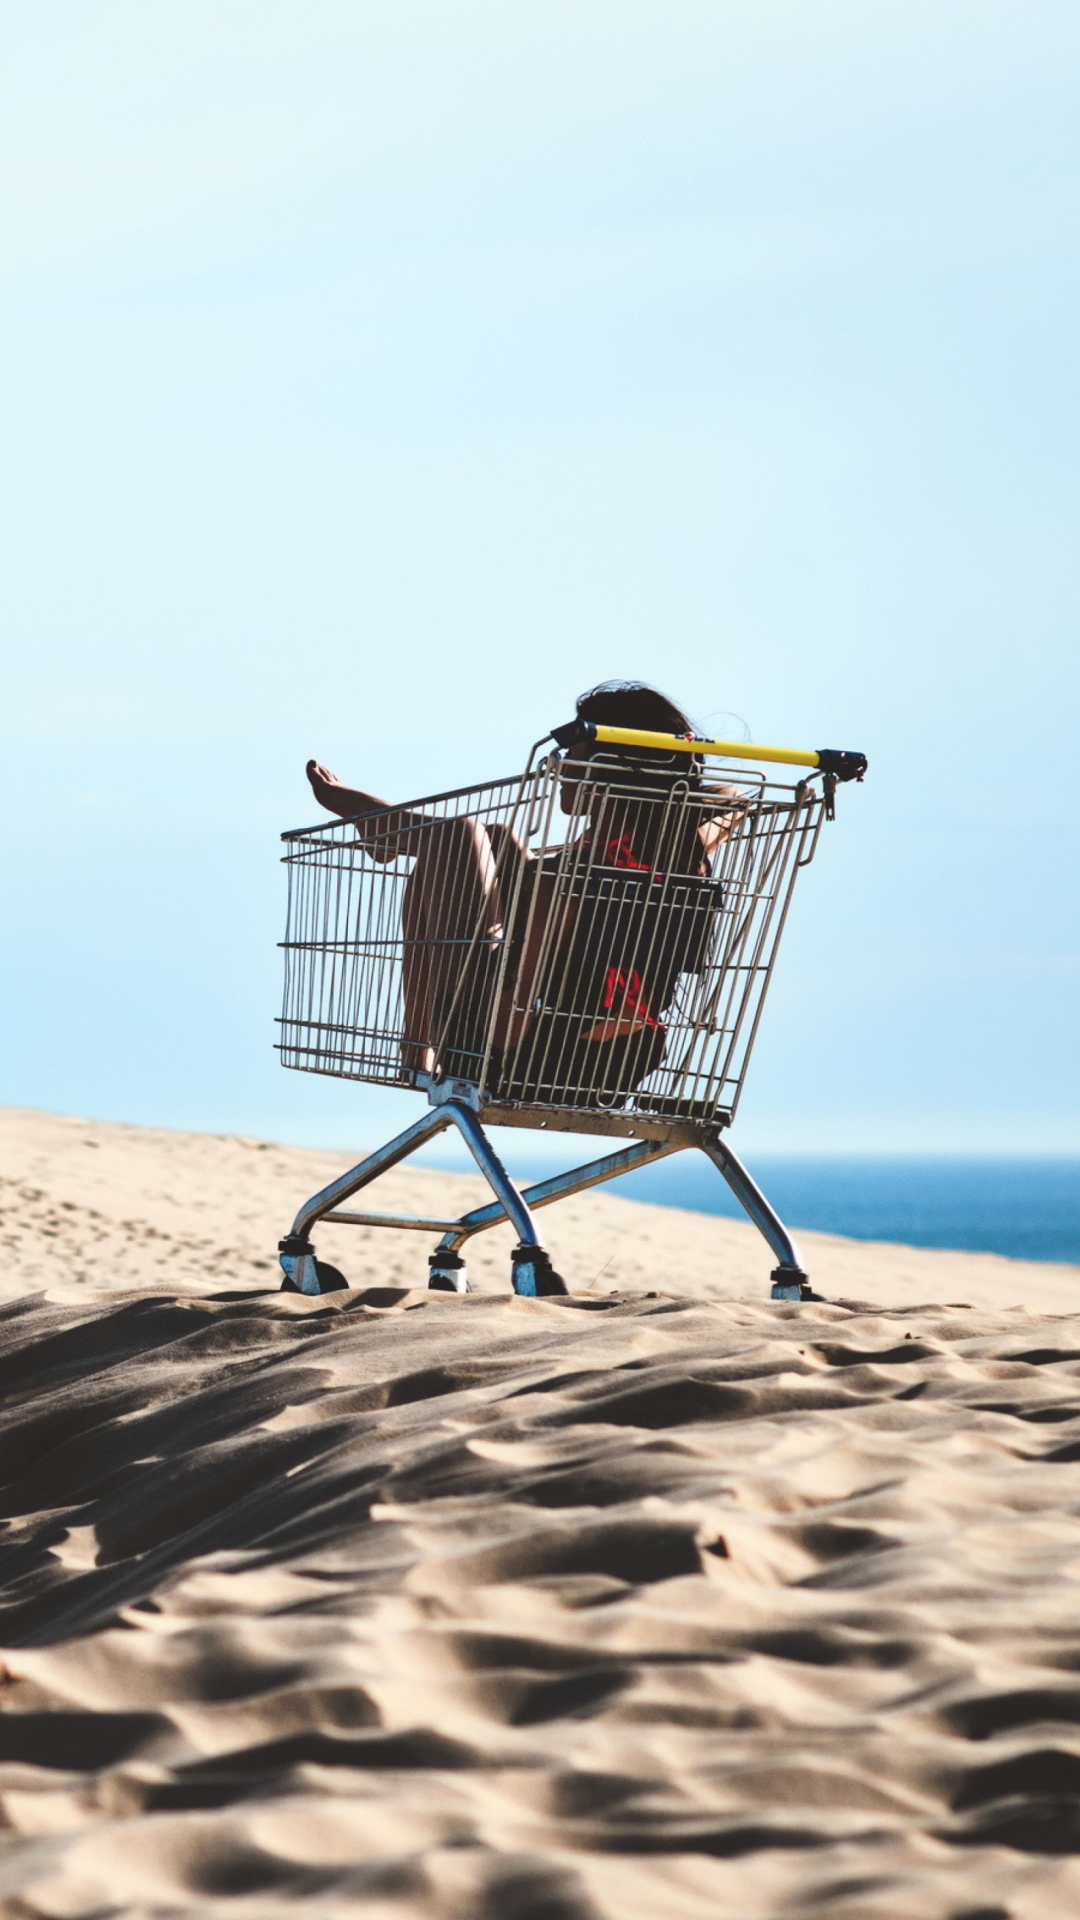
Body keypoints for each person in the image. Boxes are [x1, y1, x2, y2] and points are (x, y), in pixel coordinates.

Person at [305, 680, 742, 1096]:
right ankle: (394, 833)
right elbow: (734, 797)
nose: (560, 764)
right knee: (498, 839)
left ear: (605, 764)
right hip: (621, 1064)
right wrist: (667, 767)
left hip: (523, 1058)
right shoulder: (680, 857)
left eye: (571, 748)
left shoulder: (565, 884)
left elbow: (509, 1027)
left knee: (461, 836)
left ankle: (385, 829)